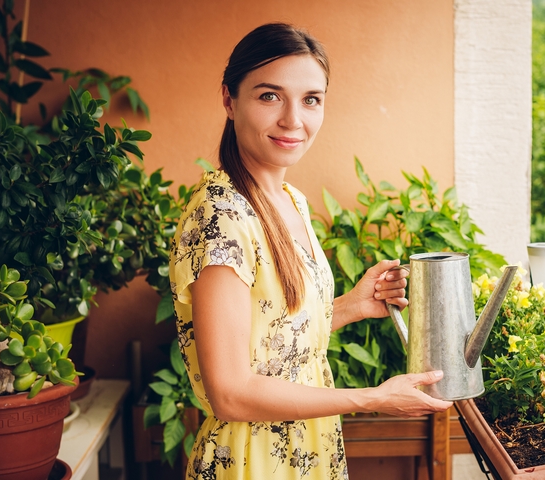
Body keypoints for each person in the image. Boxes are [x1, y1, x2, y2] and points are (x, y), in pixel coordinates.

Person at [169, 22, 452, 480]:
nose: (293, 120)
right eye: (269, 96)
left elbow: (270, 340)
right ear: (229, 99)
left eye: (310, 99)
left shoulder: (291, 200)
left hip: (309, 451)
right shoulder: (220, 215)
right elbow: (231, 392)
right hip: (252, 459)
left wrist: (349, 307)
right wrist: (373, 398)